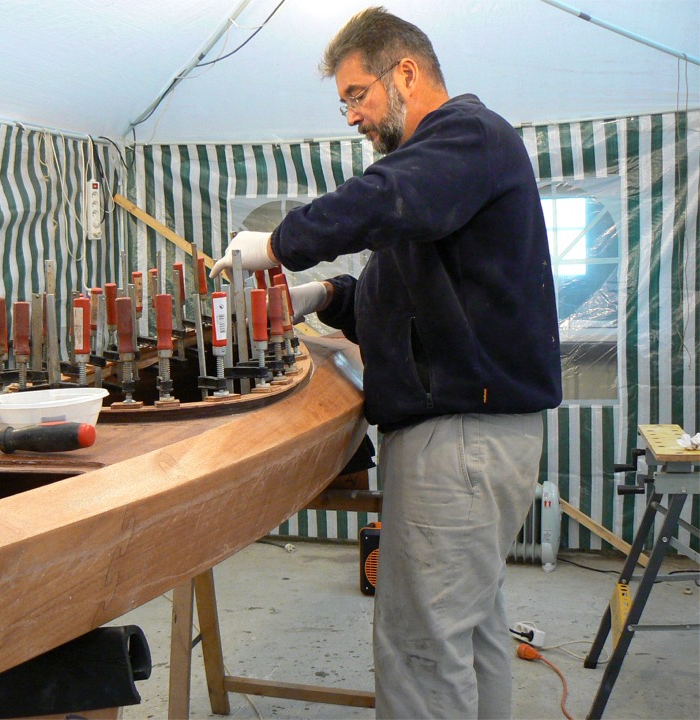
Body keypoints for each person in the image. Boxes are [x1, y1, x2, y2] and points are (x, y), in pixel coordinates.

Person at [211, 6, 562, 719]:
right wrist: (323, 295)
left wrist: (276, 247)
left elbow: (381, 199)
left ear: (405, 71)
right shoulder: (443, 179)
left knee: (420, 650)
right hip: (473, 434)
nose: (350, 116)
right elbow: (400, 295)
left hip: (460, 436)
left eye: (356, 95)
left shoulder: (466, 135)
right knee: (469, 633)